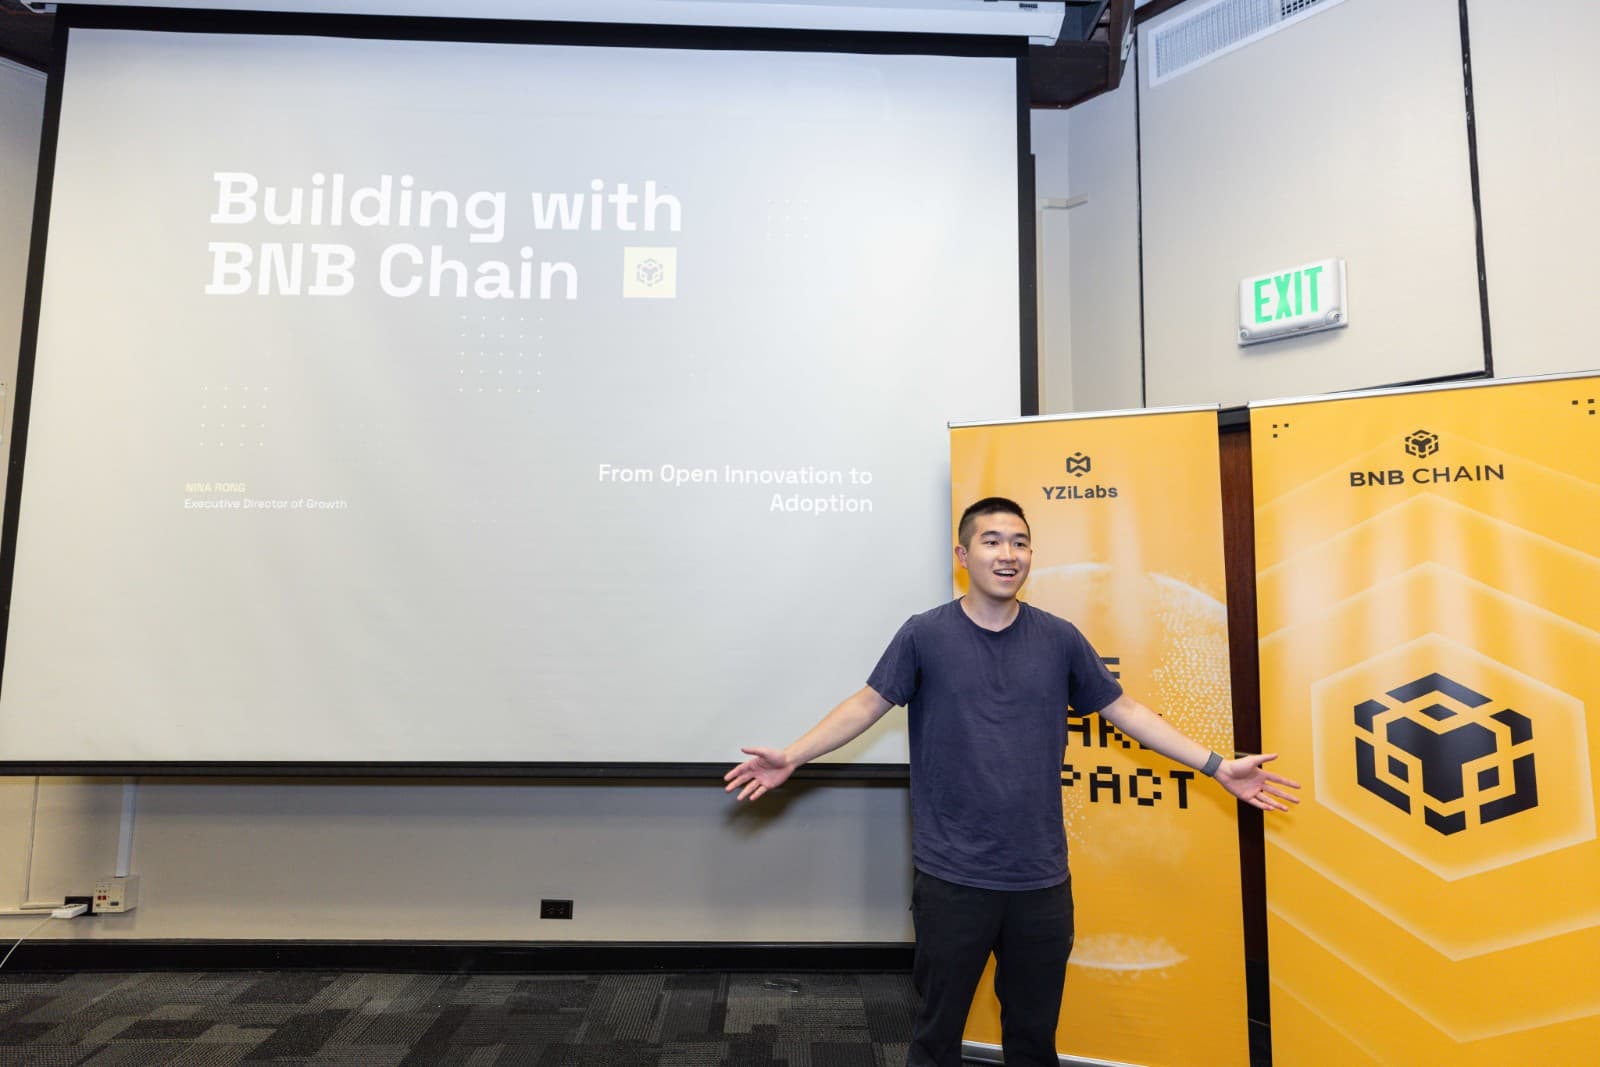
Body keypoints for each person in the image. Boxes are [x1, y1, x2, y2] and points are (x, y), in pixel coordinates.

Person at [725, 496, 1299, 1067]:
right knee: (936, 1038)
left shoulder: (1059, 638)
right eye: (993, 541)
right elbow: (866, 703)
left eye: (1020, 543)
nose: (1008, 554)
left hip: (1040, 880)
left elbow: (1126, 710)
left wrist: (1217, 765)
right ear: (963, 555)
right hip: (952, 877)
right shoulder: (924, 634)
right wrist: (794, 755)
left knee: (1033, 1038)